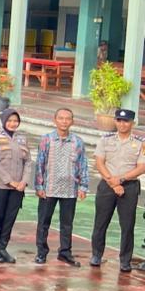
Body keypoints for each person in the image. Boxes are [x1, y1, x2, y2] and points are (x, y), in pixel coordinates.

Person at [91, 108, 145, 272]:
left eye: (126, 121)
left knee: (127, 226)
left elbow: (142, 167)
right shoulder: (105, 140)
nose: (122, 124)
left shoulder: (140, 142)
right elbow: (99, 162)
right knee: (100, 223)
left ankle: (125, 260)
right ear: (115, 121)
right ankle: (96, 255)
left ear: (132, 123)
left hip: (129, 187)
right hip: (107, 185)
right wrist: (113, 183)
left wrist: (121, 180)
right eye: (119, 120)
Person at [33, 108, 88, 266]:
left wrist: (83, 186)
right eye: (61, 118)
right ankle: (41, 252)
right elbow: (40, 164)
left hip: (70, 189)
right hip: (48, 188)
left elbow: (83, 164)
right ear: (55, 120)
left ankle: (65, 252)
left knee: (67, 223)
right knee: (43, 221)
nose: (64, 121)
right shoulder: (47, 140)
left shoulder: (78, 141)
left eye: (68, 118)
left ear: (72, 121)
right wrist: (39, 185)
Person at [0, 109, 31, 263]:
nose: (13, 124)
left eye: (15, 121)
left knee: (10, 218)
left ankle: (2, 248)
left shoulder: (22, 139)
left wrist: (24, 181)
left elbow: (28, 162)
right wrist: (9, 180)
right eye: (9, 120)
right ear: (4, 121)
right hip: (0, 186)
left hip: (18, 188)